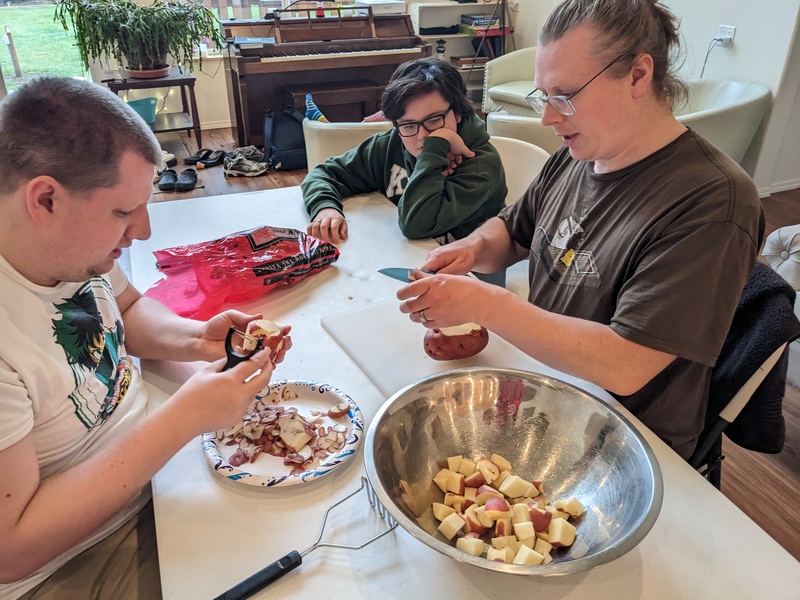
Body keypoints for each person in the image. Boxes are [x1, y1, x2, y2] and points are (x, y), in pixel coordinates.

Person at [394, 0, 765, 460]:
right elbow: (512, 233)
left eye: (564, 95)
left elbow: (625, 364)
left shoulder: (712, 200)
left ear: (637, 75)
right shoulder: (578, 157)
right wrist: (471, 250)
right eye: (543, 96)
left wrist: (485, 304)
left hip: (627, 441)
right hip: (548, 392)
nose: (548, 118)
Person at [0, 77, 291, 599]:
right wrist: (183, 418)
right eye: (122, 211)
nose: (144, 230)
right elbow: (12, 548)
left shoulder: (66, 247)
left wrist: (196, 338)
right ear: (44, 200)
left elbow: (127, 308)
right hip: (76, 557)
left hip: (157, 475)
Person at [302, 57, 507, 246]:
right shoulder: (391, 143)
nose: (422, 137)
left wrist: (435, 149)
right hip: (404, 259)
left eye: (435, 120)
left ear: (459, 112)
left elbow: (416, 225)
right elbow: (324, 173)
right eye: (408, 125)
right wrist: (325, 207)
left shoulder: (480, 164)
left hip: (471, 277)